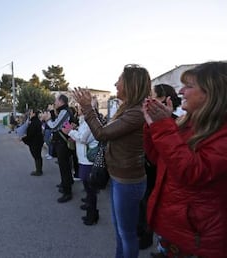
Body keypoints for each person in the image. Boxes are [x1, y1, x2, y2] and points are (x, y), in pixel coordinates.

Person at [143, 61, 227, 258]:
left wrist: (163, 127)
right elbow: (160, 161)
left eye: (189, 86)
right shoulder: (190, 123)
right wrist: (153, 127)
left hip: (206, 239)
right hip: (179, 230)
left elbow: (191, 173)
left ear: (214, 93)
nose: (181, 91)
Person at [73, 64, 151, 258]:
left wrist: (87, 108)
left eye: (120, 80)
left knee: (126, 234)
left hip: (128, 182)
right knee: (120, 233)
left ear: (131, 85)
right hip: (119, 178)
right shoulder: (128, 109)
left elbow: (101, 134)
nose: (116, 84)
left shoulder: (136, 113)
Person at [137, 83, 182, 250]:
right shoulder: (151, 119)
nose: (148, 99)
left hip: (161, 174)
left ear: (163, 98)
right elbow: (152, 153)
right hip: (151, 168)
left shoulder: (177, 122)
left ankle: (157, 241)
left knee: (155, 205)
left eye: (152, 95)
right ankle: (150, 238)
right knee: (146, 203)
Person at [61, 103, 99, 225]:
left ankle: (92, 215)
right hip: (83, 159)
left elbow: (83, 138)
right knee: (87, 186)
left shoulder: (90, 122)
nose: (78, 110)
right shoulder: (84, 121)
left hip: (88, 160)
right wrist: (73, 131)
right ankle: (90, 208)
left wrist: (70, 132)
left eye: (80, 108)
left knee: (90, 188)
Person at [42, 94, 75, 203]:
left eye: (56, 101)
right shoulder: (64, 111)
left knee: (64, 167)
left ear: (61, 102)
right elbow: (59, 122)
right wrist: (52, 113)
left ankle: (67, 192)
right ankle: (67, 184)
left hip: (63, 143)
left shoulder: (65, 111)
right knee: (65, 166)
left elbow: (55, 126)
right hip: (62, 142)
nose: (54, 103)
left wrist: (47, 120)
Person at [21, 109, 44, 176]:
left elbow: (31, 134)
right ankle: (39, 170)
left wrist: (23, 139)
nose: (29, 114)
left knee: (36, 156)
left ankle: (38, 171)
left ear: (34, 114)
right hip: (38, 142)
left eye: (30, 113)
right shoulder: (36, 121)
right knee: (38, 156)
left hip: (35, 142)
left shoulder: (34, 122)